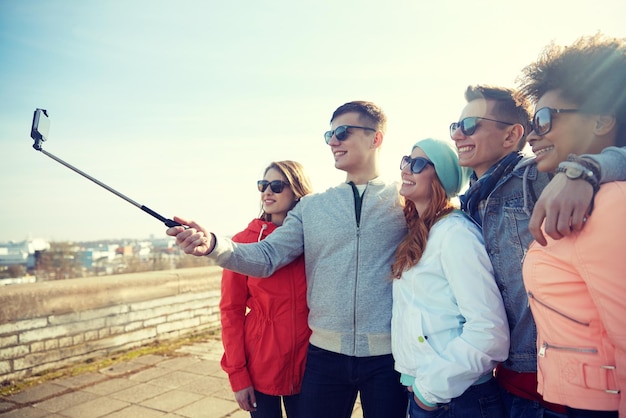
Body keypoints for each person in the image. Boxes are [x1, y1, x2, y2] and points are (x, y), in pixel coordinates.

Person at [167, 101, 408, 418]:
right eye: (329, 135)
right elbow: (265, 256)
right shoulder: (312, 207)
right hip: (324, 357)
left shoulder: (406, 200)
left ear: (375, 138)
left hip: (389, 357)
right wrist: (212, 244)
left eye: (342, 132)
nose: (333, 141)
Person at [519, 33, 626, 417]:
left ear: (601, 121)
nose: (532, 134)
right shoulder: (560, 188)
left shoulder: (610, 204)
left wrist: (586, 169)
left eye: (544, 120)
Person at [451, 85, 567, 417]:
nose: (458, 134)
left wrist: (580, 173)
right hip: (498, 378)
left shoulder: (537, 175)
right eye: (455, 126)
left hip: (545, 381)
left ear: (511, 135)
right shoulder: (469, 201)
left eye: (470, 125)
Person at [391, 138, 509, 417]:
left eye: (417, 164)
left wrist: (427, 393)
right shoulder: (422, 233)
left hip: (458, 400)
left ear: (440, 177)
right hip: (432, 394)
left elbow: (489, 331)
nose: (406, 169)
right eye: (406, 160)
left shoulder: (456, 234)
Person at [220, 160, 313, 417]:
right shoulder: (242, 244)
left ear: (297, 191)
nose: (267, 192)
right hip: (260, 363)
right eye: (263, 185)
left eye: (276, 185)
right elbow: (231, 311)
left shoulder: (313, 240)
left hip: (309, 363)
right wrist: (238, 376)